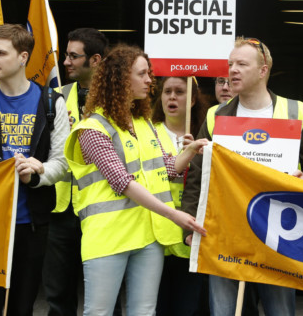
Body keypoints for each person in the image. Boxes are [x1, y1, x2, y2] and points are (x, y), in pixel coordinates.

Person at [181, 37, 303, 316]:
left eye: (241, 64)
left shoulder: (295, 112)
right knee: (224, 311)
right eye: (230, 64)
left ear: (263, 70)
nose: (232, 71)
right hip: (225, 233)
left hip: (278, 232)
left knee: (279, 311)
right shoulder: (215, 116)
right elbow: (197, 176)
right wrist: (190, 228)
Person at [63, 44, 208, 316]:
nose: (149, 80)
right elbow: (122, 182)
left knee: (144, 311)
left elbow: (166, 168)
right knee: (99, 312)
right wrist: (173, 215)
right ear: (120, 80)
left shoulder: (143, 123)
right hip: (108, 238)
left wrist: (188, 151)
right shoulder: (91, 128)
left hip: (147, 236)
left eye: (148, 74)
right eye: (142, 74)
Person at [0, 24, 69, 316]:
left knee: (22, 305)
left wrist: (38, 173)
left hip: (31, 223)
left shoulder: (52, 102)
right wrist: (4, 167)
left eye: (1, 53)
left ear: (23, 57)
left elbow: (63, 163)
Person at [43, 27, 108, 316]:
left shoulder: (120, 98)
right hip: (61, 209)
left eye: (73, 56)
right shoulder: (55, 96)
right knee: (58, 292)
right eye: (65, 55)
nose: (66, 62)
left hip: (102, 208)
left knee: (106, 291)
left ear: (95, 60)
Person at [152, 76, 210, 316]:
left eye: (179, 92)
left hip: (192, 232)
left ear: (193, 99)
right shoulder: (147, 132)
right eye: (167, 91)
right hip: (157, 232)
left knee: (190, 306)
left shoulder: (204, 134)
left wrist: (198, 154)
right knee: (160, 305)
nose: (172, 97)